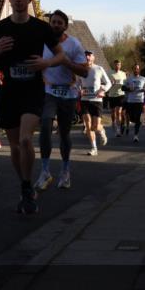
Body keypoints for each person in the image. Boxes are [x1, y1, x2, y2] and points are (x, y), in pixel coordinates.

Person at [0, 0, 60, 214]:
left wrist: (46, 63)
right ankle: (25, 185)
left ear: (29, 0)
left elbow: (60, 54)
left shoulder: (41, 28)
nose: (18, 0)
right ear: (9, 0)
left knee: (26, 140)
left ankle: (27, 187)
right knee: (15, 145)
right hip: (9, 91)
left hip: (32, 90)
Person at [36, 11, 89, 190]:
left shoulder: (74, 44)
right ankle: (45, 171)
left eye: (60, 23)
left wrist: (66, 62)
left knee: (64, 133)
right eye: (53, 22)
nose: (56, 25)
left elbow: (85, 71)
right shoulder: (41, 41)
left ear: (65, 26)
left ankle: (65, 171)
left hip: (69, 93)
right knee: (45, 126)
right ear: (49, 24)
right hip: (48, 91)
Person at [79, 50, 111, 156]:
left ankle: (101, 131)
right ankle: (94, 148)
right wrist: (79, 89)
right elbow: (77, 83)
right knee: (88, 124)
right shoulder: (80, 69)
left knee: (95, 126)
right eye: (86, 56)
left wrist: (103, 90)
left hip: (97, 100)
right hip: (85, 100)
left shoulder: (99, 69)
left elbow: (108, 83)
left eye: (89, 55)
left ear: (93, 58)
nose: (87, 57)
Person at [122, 63, 145, 142]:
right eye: (135, 68)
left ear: (139, 70)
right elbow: (123, 87)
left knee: (137, 119)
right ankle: (129, 125)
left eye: (137, 68)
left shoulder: (143, 79)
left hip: (139, 100)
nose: (136, 70)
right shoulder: (129, 78)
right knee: (131, 118)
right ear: (133, 69)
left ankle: (136, 135)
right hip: (131, 101)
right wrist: (128, 88)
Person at [107, 59, 127, 137]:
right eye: (116, 65)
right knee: (113, 113)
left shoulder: (123, 74)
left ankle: (118, 129)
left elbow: (125, 84)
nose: (117, 66)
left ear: (120, 65)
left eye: (119, 65)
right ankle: (113, 122)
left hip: (120, 94)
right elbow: (106, 82)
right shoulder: (109, 73)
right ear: (114, 65)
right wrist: (110, 83)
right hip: (112, 95)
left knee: (118, 112)